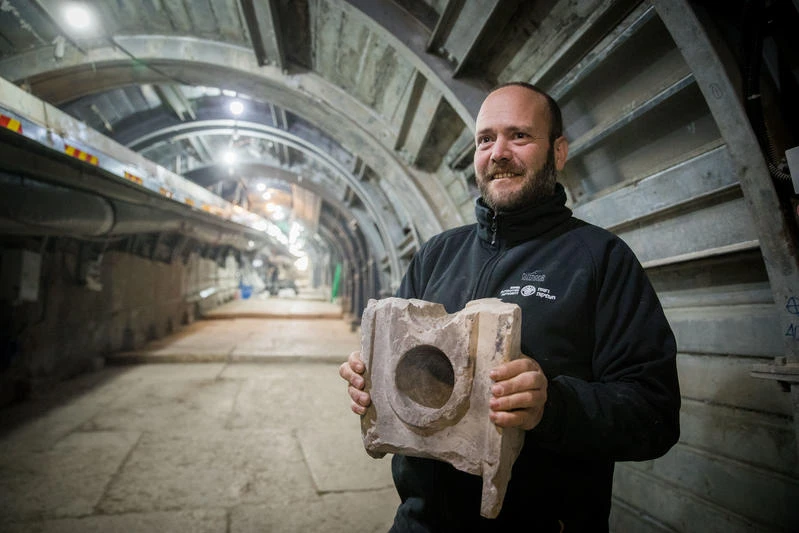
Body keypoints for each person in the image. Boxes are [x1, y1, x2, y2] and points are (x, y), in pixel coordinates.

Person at [339, 82, 680, 532]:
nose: (498, 152)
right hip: (419, 523)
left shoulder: (600, 260)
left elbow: (654, 414)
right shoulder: (438, 253)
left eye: (519, 136)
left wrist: (552, 406)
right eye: (486, 139)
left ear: (557, 152)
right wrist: (370, 379)